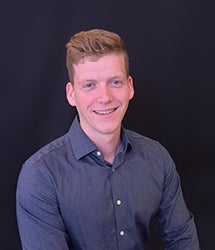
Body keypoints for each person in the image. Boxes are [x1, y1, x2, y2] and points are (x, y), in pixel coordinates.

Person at [16, 29, 200, 249]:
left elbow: (182, 239)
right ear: (71, 94)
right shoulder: (40, 174)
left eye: (115, 82)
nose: (104, 97)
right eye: (89, 85)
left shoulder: (157, 158)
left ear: (129, 87)